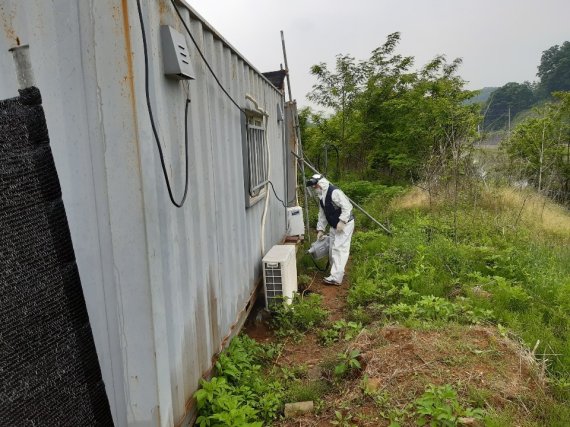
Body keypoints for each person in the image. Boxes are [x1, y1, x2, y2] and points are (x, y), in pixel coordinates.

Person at [306, 174, 354, 285]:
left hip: (345, 225)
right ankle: (336, 272)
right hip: (334, 224)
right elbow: (322, 214)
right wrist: (320, 230)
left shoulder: (334, 192)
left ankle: (336, 278)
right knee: (332, 248)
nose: (314, 189)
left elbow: (347, 206)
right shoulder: (322, 196)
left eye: (315, 186)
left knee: (339, 249)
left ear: (320, 184)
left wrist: (342, 221)